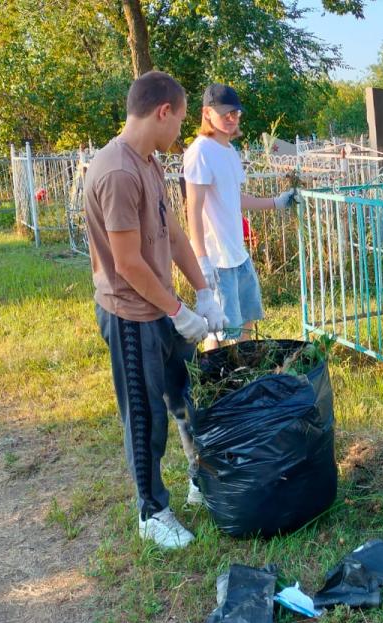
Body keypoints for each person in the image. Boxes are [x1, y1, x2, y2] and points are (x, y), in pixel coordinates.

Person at [85, 71, 228, 550]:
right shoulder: (118, 172)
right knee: (145, 416)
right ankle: (152, 510)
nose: (181, 132)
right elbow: (126, 263)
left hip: (162, 309)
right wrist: (178, 311)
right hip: (132, 315)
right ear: (162, 111)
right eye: (181, 120)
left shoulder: (147, 162)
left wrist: (203, 290)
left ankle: (195, 480)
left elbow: (173, 236)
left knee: (185, 397)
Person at [183, 83, 295, 349]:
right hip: (217, 259)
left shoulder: (229, 151)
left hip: (238, 255)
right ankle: (219, 384)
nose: (232, 118)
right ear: (207, 113)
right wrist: (201, 260)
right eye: (225, 113)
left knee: (246, 321)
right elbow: (193, 210)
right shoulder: (200, 152)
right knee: (221, 331)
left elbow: (235, 198)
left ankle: (244, 376)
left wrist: (276, 203)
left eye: (236, 113)